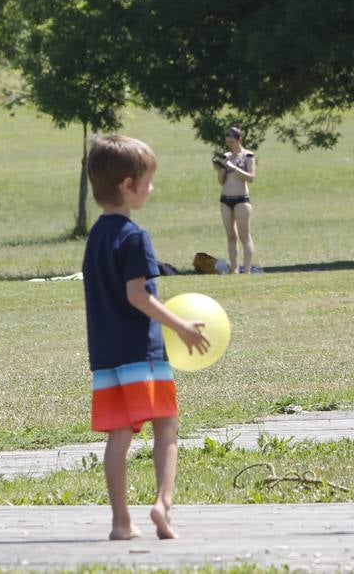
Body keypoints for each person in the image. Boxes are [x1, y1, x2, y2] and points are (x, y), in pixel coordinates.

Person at [83, 134, 209, 541]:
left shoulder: (96, 238)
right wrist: (180, 327)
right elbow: (137, 294)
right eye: (147, 181)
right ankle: (163, 505)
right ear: (127, 186)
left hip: (106, 357)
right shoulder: (135, 237)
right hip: (143, 354)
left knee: (119, 436)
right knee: (166, 428)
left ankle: (121, 524)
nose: (150, 189)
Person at [212, 124, 259, 273]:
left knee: (244, 235)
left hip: (241, 199)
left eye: (232, 141)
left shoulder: (248, 156)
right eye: (227, 142)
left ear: (239, 140)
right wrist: (220, 171)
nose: (229, 145)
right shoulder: (227, 156)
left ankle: (246, 270)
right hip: (225, 199)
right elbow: (222, 181)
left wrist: (234, 167)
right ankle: (234, 269)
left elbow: (251, 177)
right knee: (231, 236)